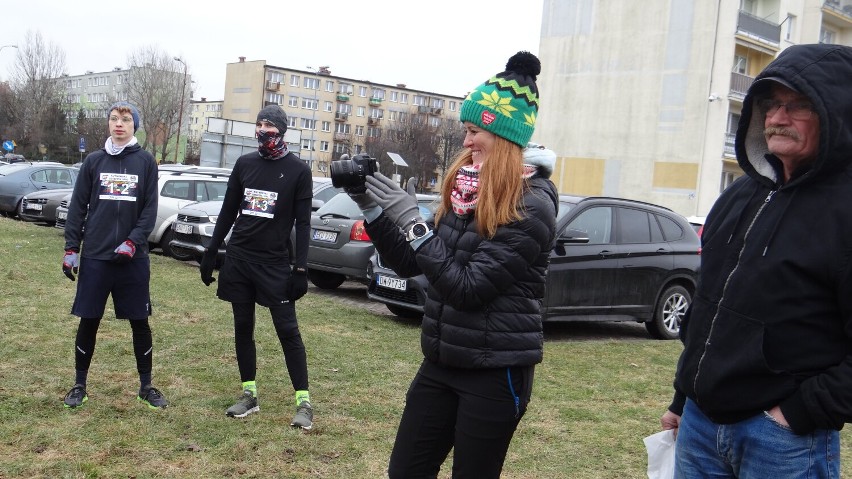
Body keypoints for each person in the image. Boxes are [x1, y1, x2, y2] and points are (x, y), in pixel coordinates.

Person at [346, 51, 558, 478]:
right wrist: (370, 207)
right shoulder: (463, 193)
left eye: (474, 131)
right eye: (465, 130)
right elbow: (409, 261)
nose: (466, 142)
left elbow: (466, 288)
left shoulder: (532, 207)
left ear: (503, 137)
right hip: (442, 361)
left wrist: (412, 221)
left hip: (495, 372)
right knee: (405, 471)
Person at [660, 43, 852, 477]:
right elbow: (708, 308)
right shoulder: (739, 194)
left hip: (784, 440)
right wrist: (681, 397)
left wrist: (801, 411)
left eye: (798, 105)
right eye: (771, 104)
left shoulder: (845, 211)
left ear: (834, 112)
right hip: (699, 424)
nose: (777, 118)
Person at [198, 104, 315, 430]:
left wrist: (301, 269)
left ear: (282, 130)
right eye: (259, 123)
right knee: (242, 326)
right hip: (239, 259)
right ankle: (249, 395)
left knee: (287, 331)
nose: (263, 130)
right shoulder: (245, 163)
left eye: (270, 125)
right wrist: (211, 251)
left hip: (274, 264)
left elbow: (303, 224)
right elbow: (228, 209)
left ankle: (304, 402)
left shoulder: (298, 171)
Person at [62, 101, 168, 410]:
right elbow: (78, 206)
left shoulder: (146, 162)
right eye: (113, 118)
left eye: (125, 119)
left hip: (133, 259)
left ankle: (146, 386)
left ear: (134, 125)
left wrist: (133, 242)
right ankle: (79, 385)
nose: (118, 123)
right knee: (89, 320)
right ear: (108, 124)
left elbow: (149, 210)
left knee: (140, 321)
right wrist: (72, 248)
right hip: (96, 256)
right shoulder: (94, 162)